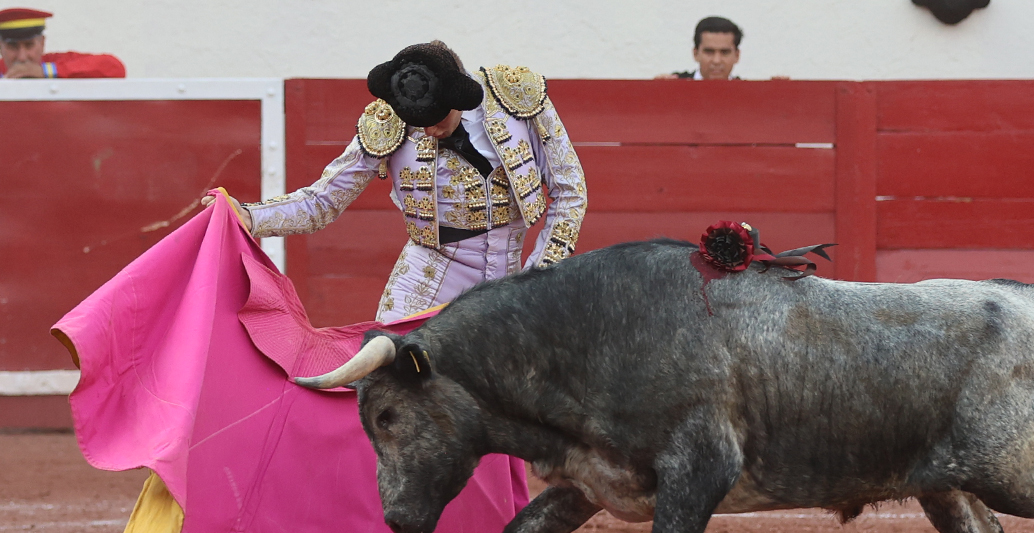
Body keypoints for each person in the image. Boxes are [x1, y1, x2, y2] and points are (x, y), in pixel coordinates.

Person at [204, 41, 586, 323]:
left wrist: (540, 276)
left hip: (516, 278)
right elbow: (323, 201)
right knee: (387, 381)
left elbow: (570, 191)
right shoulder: (389, 124)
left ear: (459, 97)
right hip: (426, 281)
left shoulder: (515, 99)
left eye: (437, 119)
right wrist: (249, 217)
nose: (429, 130)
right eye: (420, 122)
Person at [0, 7, 124, 78]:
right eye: (12, 46)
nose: (22, 57)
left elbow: (114, 67)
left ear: (42, 43)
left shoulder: (54, 63)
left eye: (29, 45)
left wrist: (47, 72)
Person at [656, 16, 744, 80]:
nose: (716, 61)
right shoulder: (673, 86)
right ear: (696, 54)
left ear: (737, 56)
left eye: (725, 52)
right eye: (709, 52)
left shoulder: (747, 92)